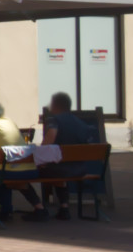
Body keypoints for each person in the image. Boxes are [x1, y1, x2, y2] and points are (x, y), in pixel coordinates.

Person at [0, 100, 47, 221]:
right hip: (29, 169)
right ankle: (36, 208)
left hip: (4, 170)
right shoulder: (10, 122)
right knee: (5, 176)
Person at [38, 92, 96, 220]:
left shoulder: (55, 120)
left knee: (33, 170)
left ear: (57, 106)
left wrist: (39, 158)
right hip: (80, 169)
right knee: (59, 170)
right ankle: (64, 207)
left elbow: (48, 143)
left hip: (59, 169)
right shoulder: (81, 123)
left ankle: (38, 208)